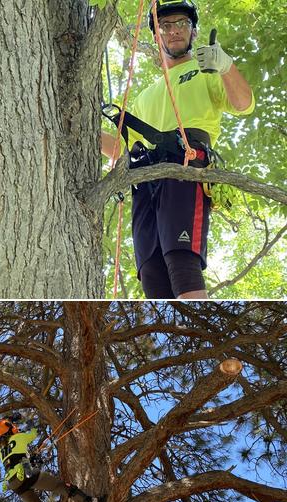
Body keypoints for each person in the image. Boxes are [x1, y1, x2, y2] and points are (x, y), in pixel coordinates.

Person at [101, 0, 254, 299]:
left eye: (182, 24)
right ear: (156, 36)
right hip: (146, 177)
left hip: (185, 162)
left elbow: (243, 104)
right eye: (165, 26)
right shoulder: (144, 96)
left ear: (193, 32)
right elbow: (123, 149)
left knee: (181, 259)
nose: (173, 31)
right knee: (151, 272)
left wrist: (225, 66)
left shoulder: (205, 70)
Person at [0, 419, 101, 502]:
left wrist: (29, 459)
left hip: (14, 484)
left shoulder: (1, 451)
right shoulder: (18, 438)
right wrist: (32, 426)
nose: (16, 428)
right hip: (25, 474)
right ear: (10, 429)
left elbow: (14, 459)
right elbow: (33, 434)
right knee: (58, 485)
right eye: (13, 426)